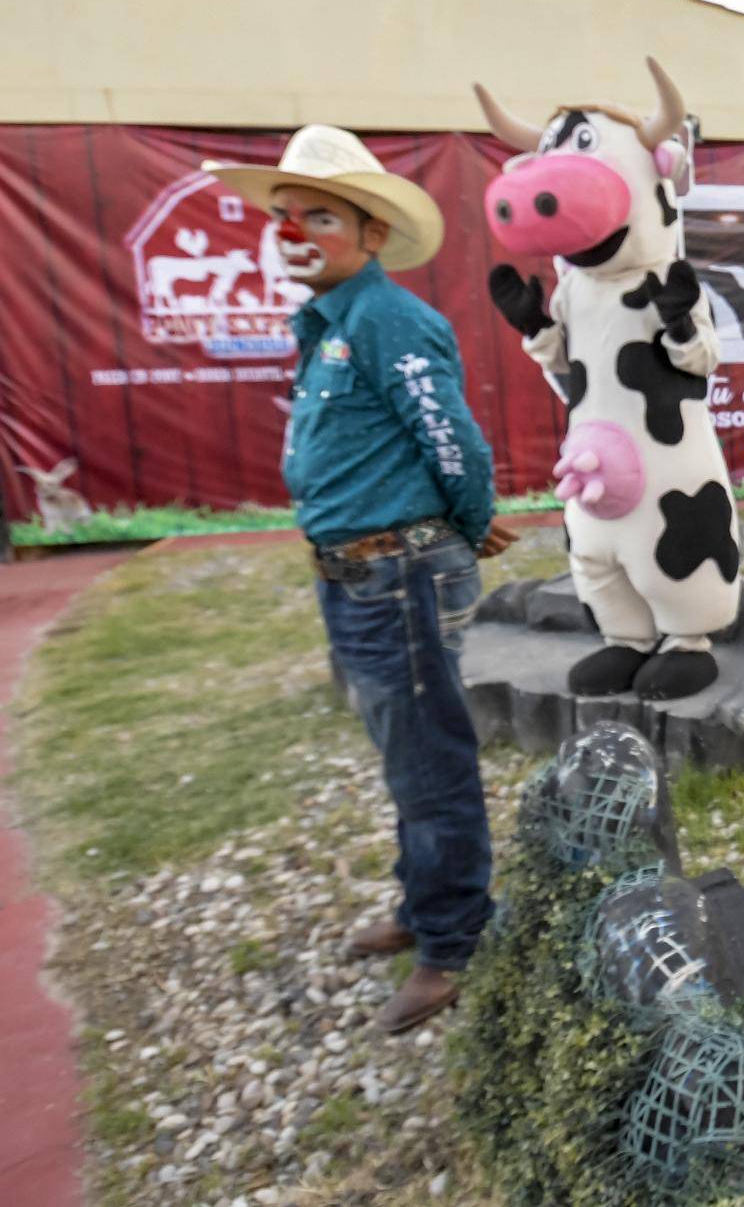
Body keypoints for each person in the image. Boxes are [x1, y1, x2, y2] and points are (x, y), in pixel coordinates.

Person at [205, 126, 516, 1035]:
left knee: (429, 760)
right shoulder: (328, 324)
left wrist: (459, 522)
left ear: (372, 234)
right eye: (285, 216)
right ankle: (426, 908)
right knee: (404, 754)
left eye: (320, 216)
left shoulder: (387, 319)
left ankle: (452, 944)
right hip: (359, 576)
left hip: (398, 576)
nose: (295, 230)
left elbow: (452, 440)